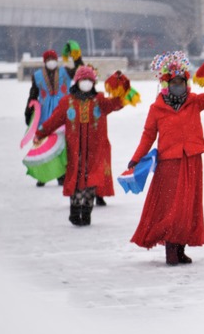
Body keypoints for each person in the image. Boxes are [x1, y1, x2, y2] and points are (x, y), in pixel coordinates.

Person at [128, 52, 204, 265]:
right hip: (169, 162)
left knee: (187, 206)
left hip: (192, 159)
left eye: (182, 81)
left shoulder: (194, 102)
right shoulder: (156, 109)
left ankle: (180, 246)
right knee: (172, 206)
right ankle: (171, 247)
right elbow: (148, 136)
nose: (178, 85)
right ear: (166, 83)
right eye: (174, 82)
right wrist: (136, 158)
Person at [34, 65, 131, 226]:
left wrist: (122, 84)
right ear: (77, 81)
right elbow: (54, 120)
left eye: (89, 80)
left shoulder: (99, 100)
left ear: (93, 82)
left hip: (95, 150)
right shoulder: (68, 101)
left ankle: (86, 213)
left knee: (92, 182)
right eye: (83, 80)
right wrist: (40, 133)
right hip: (75, 150)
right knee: (77, 181)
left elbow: (116, 103)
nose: (86, 83)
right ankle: (74, 211)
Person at [25, 49, 71, 186]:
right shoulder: (38, 76)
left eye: (53, 59)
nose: (52, 62)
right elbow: (33, 94)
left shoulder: (65, 72)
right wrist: (29, 111)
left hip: (63, 113)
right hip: (45, 114)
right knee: (43, 144)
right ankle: (42, 174)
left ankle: (61, 174)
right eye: (49, 59)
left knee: (62, 144)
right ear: (45, 62)